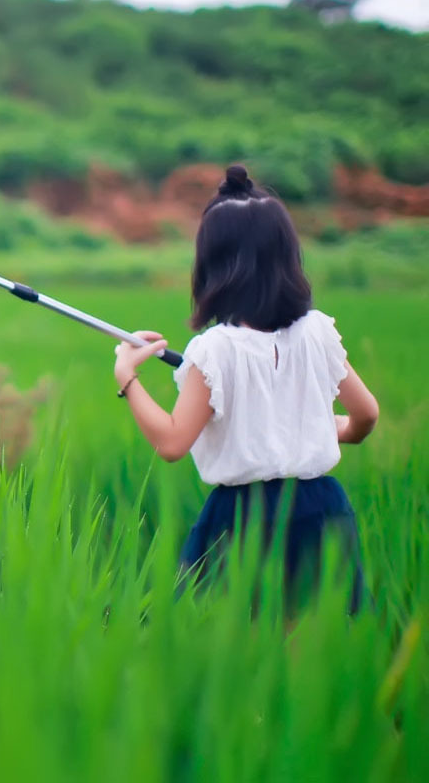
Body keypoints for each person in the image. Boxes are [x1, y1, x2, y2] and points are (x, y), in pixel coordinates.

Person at [113, 165, 378, 612]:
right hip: (321, 510)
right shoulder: (317, 331)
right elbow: (366, 414)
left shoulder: (214, 350)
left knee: (238, 653)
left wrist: (128, 378)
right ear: (286, 255)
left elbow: (174, 442)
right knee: (312, 652)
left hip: (244, 517)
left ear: (213, 263)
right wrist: (332, 429)